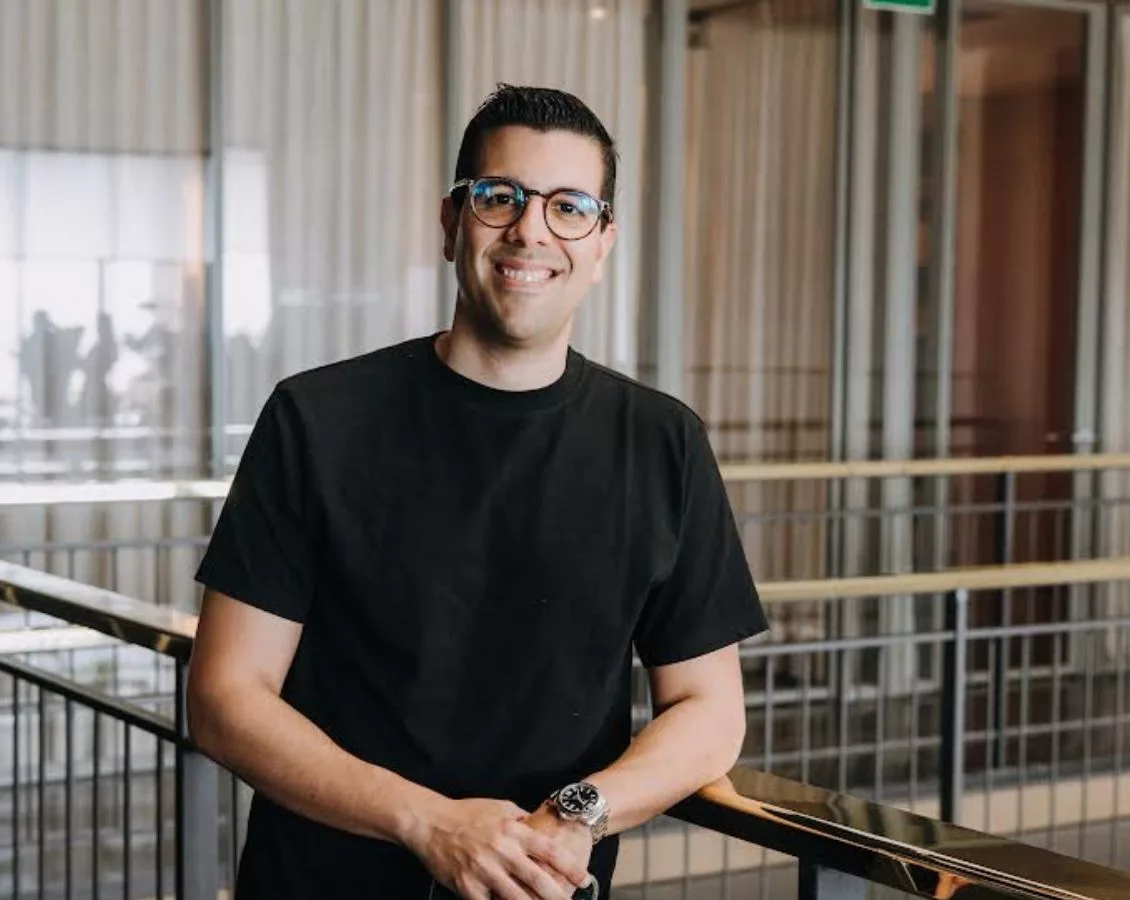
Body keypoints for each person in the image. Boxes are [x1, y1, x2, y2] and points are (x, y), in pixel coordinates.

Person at [187, 84, 768, 899]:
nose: (531, 229)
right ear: (452, 221)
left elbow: (710, 710)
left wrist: (578, 813)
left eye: (569, 207)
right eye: (501, 197)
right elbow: (224, 697)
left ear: (603, 244)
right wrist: (427, 823)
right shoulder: (317, 419)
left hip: (542, 887)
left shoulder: (661, 442)